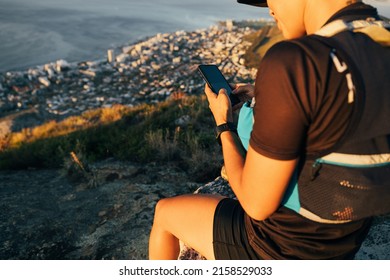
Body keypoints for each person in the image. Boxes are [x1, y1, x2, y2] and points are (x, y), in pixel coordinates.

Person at [149, 0, 390, 260]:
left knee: (164, 212)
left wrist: (224, 125)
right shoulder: (379, 40)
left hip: (277, 250)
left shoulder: (297, 61)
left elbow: (255, 205)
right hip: (345, 242)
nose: (270, 9)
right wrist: (274, 101)